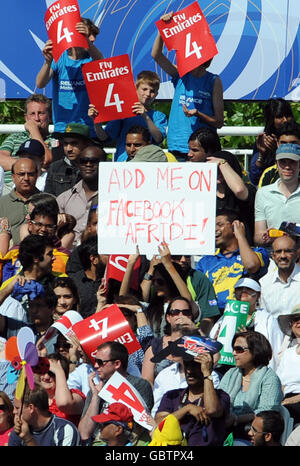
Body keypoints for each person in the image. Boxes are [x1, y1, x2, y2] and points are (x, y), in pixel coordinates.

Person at [151, 12, 224, 161]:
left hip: (203, 149)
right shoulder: (181, 75)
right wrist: (162, 29)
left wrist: (198, 114)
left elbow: (219, 122)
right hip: (176, 147)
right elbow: (156, 55)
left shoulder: (214, 81)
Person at [36, 19, 103, 137]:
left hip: (88, 129)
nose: (93, 39)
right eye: (88, 35)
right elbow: (40, 84)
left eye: (92, 36)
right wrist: (47, 62)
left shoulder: (92, 57)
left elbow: (102, 64)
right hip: (62, 129)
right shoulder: (60, 58)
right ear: (74, 35)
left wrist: (87, 41)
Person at [78, 341, 154, 445]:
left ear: (117, 364)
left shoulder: (139, 385)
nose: (95, 365)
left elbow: (138, 425)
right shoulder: (96, 389)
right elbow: (84, 433)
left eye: (100, 362)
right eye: (95, 361)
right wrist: (96, 397)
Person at [196, 211, 269, 312]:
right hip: (214, 317)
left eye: (219, 225)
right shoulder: (205, 261)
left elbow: (251, 265)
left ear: (234, 226)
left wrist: (240, 236)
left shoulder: (257, 252)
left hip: (242, 315)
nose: (215, 229)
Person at [219, 330, 283, 445]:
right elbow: (219, 400)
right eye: (233, 349)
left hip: (252, 433)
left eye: (239, 349)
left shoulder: (269, 377)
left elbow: (267, 412)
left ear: (255, 351)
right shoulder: (231, 374)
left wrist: (235, 419)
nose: (234, 353)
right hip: (224, 427)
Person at [88, 70, 167, 161]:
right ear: (135, 89)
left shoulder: (159, 116)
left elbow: (158, 139)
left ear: (156, 94)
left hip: (147, 163)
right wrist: (96, 121)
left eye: (152, 91)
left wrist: (145, 116)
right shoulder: (123, 112)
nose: (148, 94)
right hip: (123, 164)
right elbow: (104, 137)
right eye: (144, 89)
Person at [155, 350, 230, 446]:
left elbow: (212, 410)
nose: (189, 371)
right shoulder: (172, 395)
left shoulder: (221, 396)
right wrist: (187, 409)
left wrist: (207, 373)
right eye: (187, 365)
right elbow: (159, 424)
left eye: (195, 365)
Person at [210, 277, 283, 370]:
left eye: (249, 289)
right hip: (226, 369)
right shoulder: (225, 317)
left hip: (255, 369)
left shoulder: (267, 320)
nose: (243, 291)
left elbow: (275, 349)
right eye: (239, 289)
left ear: (258, 295)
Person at [0, 94, 53, 194]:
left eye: (41, 113)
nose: (36, 118)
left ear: (49, 116)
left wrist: (34, 131)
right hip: (8, 188)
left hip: (38, 189)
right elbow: (0, 158)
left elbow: (46, 160)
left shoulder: (54, 140)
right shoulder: (15, 137)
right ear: (26, 117)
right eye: (32, 114)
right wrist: (26, 166)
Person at [57, 144, 106, 247]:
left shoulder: (115, 198)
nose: (88, 164)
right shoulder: (63, 199)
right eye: (84, 161)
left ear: (105, 164)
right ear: (78, 165)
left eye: (94, 161)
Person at [142, 296, 198, 386]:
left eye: (185, 312)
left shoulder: (198, 342)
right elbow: (147, 380)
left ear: (190, 316)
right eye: (175, 312)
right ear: (168, 318)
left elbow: (214, 358)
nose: (181, 316)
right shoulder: (156, 345)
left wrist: (194, 328)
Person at [254, 143, 300, 246]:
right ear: (276, 164)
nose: (287, 167)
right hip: (275, 253)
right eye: (282, 162)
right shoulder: (263, 193)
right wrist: (266, 237)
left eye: (292, 162)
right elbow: (258, 236)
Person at [9, 382, 81, 446]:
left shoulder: (64, 429)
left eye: (17, 408)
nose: (14, 412)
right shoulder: (19, 430)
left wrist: (28, 439)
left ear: (31, 408)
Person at [249, 98, 294, 186]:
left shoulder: (297, 136)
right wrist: (262, 154)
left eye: (288, 115)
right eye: (280, 116)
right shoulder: (264, 141)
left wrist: (278, 151)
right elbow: (255, 179)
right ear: (271, 120)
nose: (285, 120)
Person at [44, 123, 95, 197]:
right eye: (65, 144)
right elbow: (47, 199)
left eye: (74, 143)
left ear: (86, 144)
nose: (69, 149)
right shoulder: (54, 168)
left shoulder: (97, 168)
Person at [39, 353, 85, 427]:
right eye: (44, 371)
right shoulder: (37, 398)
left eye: (52, 373)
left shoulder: (75, 395)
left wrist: (58, 371)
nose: (46, 377)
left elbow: (64, 403)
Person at [0, 158, 39, 245]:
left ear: (37, 175)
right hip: (10, 255)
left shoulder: (47, 200)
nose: (26, 178)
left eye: (31, 174)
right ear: (13, 177)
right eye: (21, 174)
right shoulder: (2, 203)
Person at [259, 235, 300, 318]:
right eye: (278, 252)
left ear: (297, 254)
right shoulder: (264, 283)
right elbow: (263, 317)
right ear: (273, 256)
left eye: (288, 251)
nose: (283, 256)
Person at [68, 235, 106, 318]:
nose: (110, 258)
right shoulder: (72, 282)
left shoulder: (109, 282)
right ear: (94, 259)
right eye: (106, 254)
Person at [258, 119, 300, 188]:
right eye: (284, 143)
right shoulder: (269, 174)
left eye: (293, 143)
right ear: (277, 143)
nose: (288, 147)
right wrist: (261, 155)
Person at [276, 305, 300, 425]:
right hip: (285, 402)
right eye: (295, 319)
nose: (298, 322)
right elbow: (280, 383)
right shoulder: (288, 353)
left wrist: (288, 402)